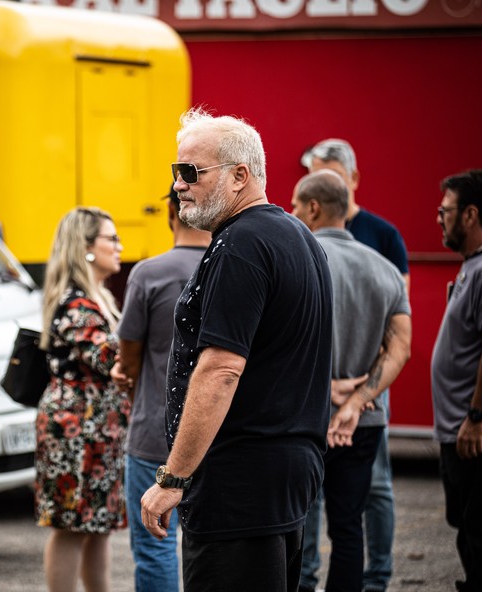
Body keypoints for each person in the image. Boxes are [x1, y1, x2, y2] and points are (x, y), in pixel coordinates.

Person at [141, 107, 333, 592]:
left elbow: (221, 368)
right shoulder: (299, 238)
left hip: (239, 485)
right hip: (282, 477)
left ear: (239, 176)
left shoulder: (242, 243)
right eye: (175, 173)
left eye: (190, 172)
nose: (179, 185)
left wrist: (172, 478)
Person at [291, 170, 412, 592]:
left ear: (313, 208)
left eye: (294, 205)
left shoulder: (296, 259)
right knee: (348, 527)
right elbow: (401, 348)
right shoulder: (386, 271)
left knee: (299, 521)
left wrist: (326, 391)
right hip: (362, 422)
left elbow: (279, 345)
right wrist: (356, 398)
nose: (291, 213)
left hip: (303, 418)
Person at [110, 187, 210, 592]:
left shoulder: (149, 273)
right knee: (213, 547)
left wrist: (123, 372)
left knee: (155, 546)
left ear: (172, 211)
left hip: (156, 433)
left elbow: (128, 358)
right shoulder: (233, 266)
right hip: (217, 434)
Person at [35, 206, 130, 592]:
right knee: (72, 524)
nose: (120, 246)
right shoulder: (77, 305)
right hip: (75, 429)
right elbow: (110, 358)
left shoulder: (99, 298)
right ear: (86, 247)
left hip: (99, 427)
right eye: (112, 238)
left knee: (99, 526)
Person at [430, 169, 482, 592]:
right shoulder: (476, 267)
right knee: (469, 532)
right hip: (460, 433)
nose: (438, 218)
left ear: (469, 215)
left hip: (476, 438)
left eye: (445, 211)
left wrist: (476, 416)